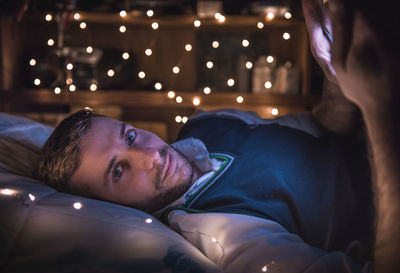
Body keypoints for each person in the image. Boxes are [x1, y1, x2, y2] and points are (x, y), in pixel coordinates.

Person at [36, 0, 400, 271]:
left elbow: (327, 125)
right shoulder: (216, 231)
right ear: (108, 207)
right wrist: (380, 106)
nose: (150, 156)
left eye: (129, 137)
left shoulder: (206, 123)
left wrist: (334, 74)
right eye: (118, 172)